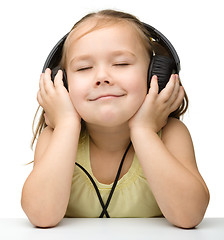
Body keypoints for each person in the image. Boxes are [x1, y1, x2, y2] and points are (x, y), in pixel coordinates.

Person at [21, 9, 209, 228]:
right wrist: (67, 124)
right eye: (83, 67)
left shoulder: (170, 135)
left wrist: (143, 130)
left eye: (121, 64)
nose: (102, 77)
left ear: (156, 76)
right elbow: (42, 217)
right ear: (61, 84)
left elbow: (189, 216)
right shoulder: (55, 137)